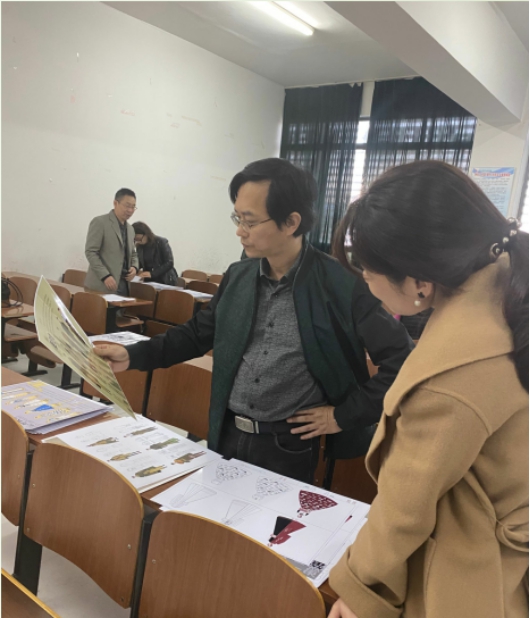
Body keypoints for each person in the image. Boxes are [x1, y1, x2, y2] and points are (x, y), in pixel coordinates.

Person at [95, 158, 413, 483]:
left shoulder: (341, 284)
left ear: (291, 222)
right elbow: (196, 335)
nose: (239, 231)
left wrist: (342, 416)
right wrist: (132, 355)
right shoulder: (239, 275)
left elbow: (402, 361)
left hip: (288, 446)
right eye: (237, 218)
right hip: (226, 432)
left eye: (249, 221)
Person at [329, 160, 528, 618]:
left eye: (368, 269)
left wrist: (359, 590)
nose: (365, 281)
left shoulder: (450, 377)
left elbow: (405, 509)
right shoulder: (507, 287)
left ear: (419, 281)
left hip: (465, 579)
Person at [84, 188, 139, 294]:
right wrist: (105, 276)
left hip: (123, 285)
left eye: (133, 207)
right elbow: (91, 252)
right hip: (101, 285)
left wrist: (134, 267)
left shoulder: (130, 229)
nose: (130, 210)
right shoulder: (100, 222)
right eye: (127, 205)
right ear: (115, 203)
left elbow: (133, 253)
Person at [132, 221, 178, 286]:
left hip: (165, 279)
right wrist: (134, 269)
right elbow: (140, 263)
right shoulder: (140, 247)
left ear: (146, 234)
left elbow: (169, 262)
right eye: (135, 240)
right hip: (150, 280)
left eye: (139, 238)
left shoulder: (161, 242)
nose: (138, 241)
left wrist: (152, 274)